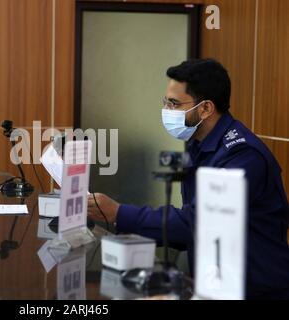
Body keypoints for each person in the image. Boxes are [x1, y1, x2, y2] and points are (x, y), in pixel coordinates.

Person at [88, 59, 289, 299]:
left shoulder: (242, 157)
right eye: (166, 102)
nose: (166, 110)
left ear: (205, 108)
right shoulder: (199, 145)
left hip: (256, 288)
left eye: (174, 103)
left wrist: (119, 213)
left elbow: (197, 223)